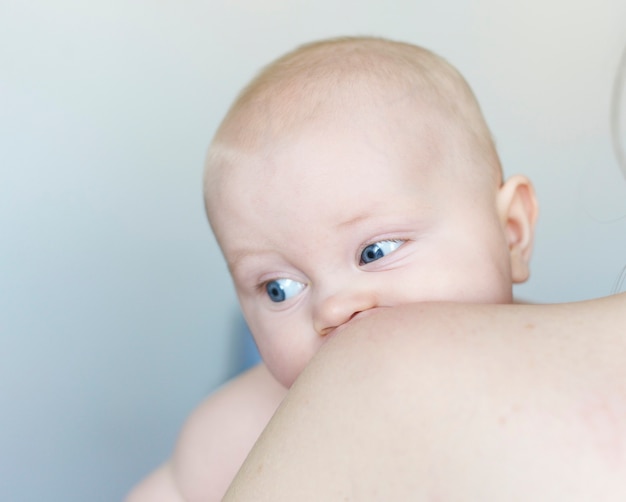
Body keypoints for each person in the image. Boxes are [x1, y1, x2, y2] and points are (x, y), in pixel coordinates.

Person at [126, 34, 596, 500]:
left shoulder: (568, 376)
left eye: (377, 251)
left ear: (512, 231)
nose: (333, 307)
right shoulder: (233, 434)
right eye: (280, 288)